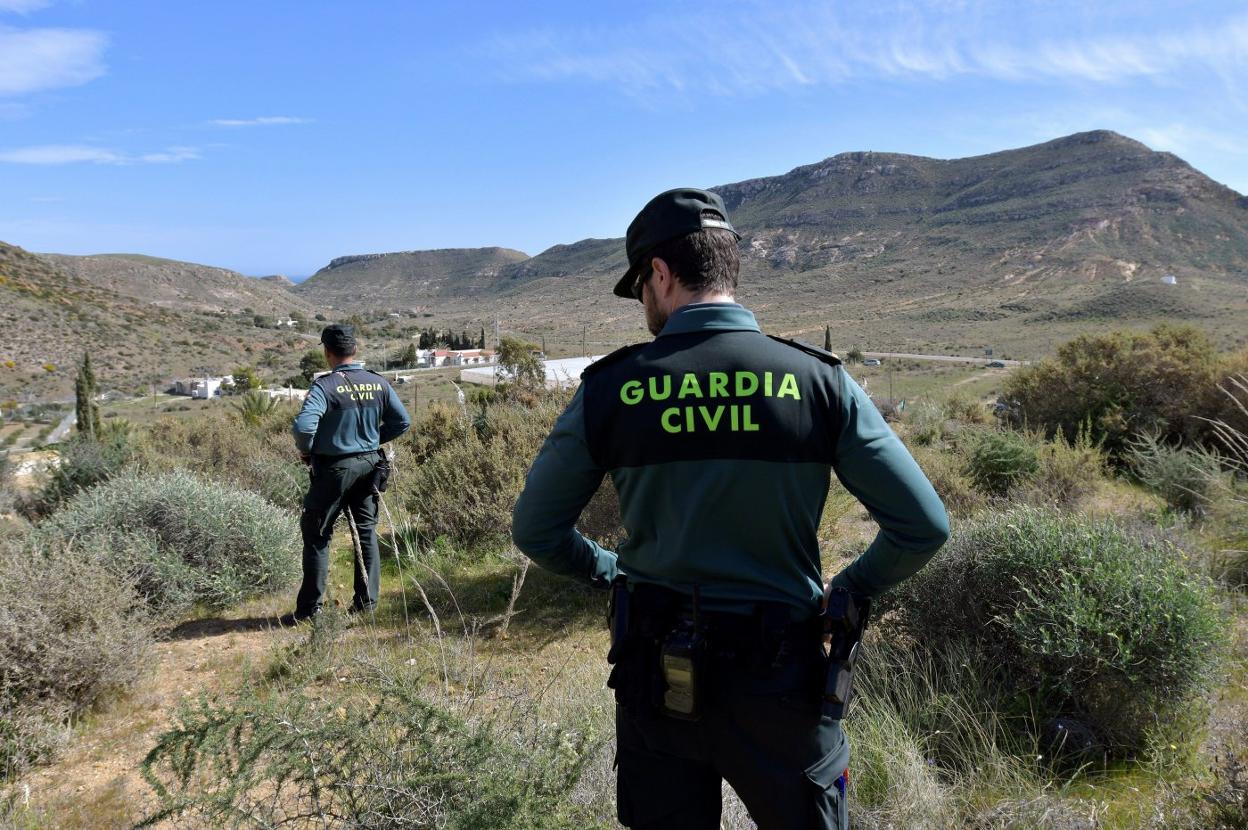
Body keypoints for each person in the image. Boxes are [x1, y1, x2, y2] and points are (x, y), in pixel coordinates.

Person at [511, 188, 949, 829]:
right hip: (783, 677)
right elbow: (923, 525)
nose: (643, 306)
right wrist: (850, 588)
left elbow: (537, 530)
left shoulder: (611, 388)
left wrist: (611, 571)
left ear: (659, 274)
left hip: (654, 675)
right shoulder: (818, 381)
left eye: (639, 288)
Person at [281, 324, 411, 626]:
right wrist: (371, 441)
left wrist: (308, 451)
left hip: (334, 469)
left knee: (317, 534)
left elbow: (303, 428)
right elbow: (402, 422)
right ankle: (366, 604)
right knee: (365, 532)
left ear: (327, 352)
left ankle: (309, 611)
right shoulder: (377, 382)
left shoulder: (325, 387)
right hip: (370, 464)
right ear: (355, 350)